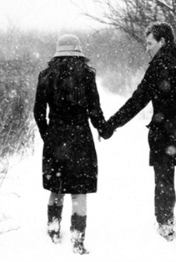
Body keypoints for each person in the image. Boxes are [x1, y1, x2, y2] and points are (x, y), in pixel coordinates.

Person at [100, 22, 176, 260]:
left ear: (163, 41)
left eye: (149, 43)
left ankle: (166, 230)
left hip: (164, 137)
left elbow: (137, 101)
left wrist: (110, 125)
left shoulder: (158, 66)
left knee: (164, 184)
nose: (147, 48)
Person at [33, 34, 107, 255]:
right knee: (79, 189)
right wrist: (103, 128)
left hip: (55, 137)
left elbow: (38, 112)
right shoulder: (86, 75)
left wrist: (48, 135)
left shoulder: (46, 75)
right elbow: (94, 109)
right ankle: (77, 238)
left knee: (56, 186)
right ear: (78, 51)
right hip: (80, 138)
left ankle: (53, 229)